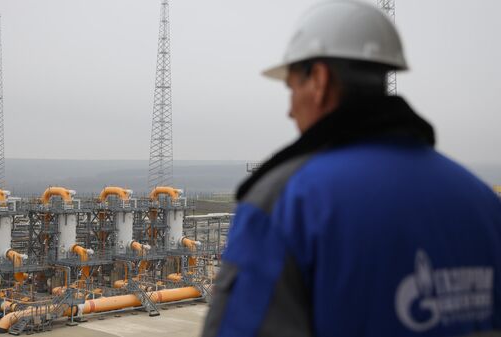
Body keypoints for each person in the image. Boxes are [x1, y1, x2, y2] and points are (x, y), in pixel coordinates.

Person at [202, 1, 501, 337]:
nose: (289, 111)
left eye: (292, 88)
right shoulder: (484, 204)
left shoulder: (287, 203)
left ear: (319, 79)